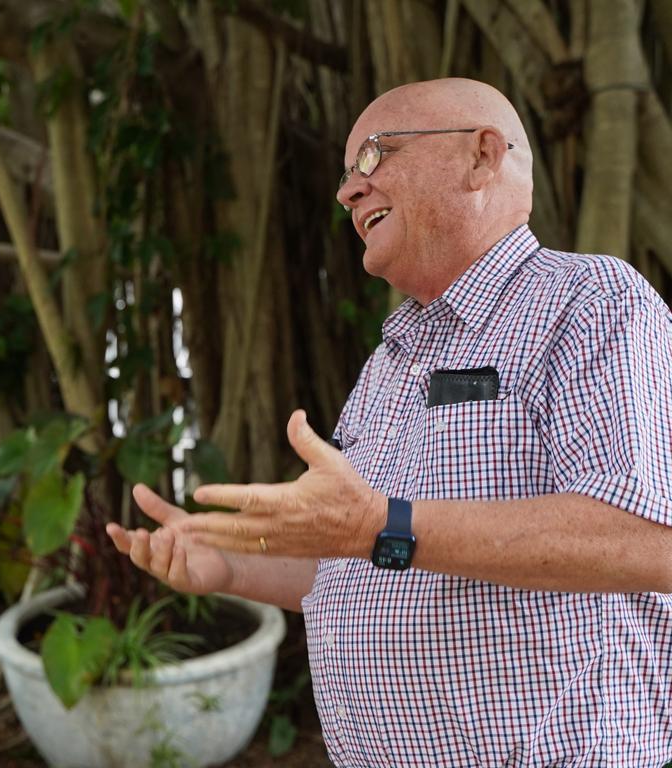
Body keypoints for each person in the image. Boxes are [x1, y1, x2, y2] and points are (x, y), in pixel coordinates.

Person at [108, 78, 672, 766]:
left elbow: (646, 540)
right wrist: (225, 563)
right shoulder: (390, 359)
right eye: (345, 176)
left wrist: (382, 526)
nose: (348, 192)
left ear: (481, 157)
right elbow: (352, 558)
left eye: (373, 157)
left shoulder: (589, 301)